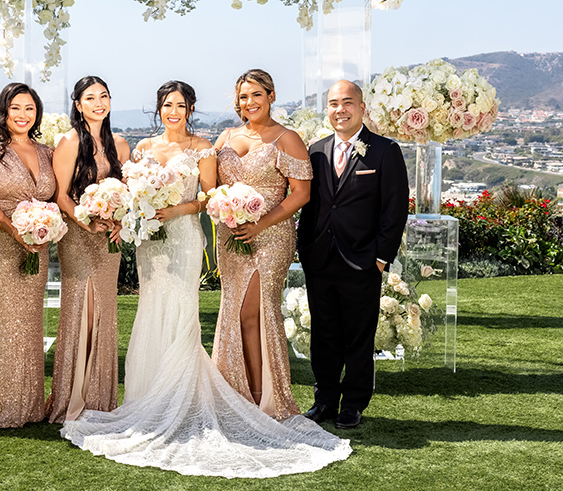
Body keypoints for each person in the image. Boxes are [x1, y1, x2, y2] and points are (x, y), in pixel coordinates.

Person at [61, 81, 351, 478]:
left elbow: (210, 197)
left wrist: (177, 209)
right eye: (167, 105)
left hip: (182, 239)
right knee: (151, 309)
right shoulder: (142, 149)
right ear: (159, 109)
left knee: (183, 312)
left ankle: (192, 396)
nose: (173, 111)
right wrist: (129, 212)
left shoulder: (205, 148)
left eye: (181, 105)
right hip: (150, 244)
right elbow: (130, 198)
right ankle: (148, 397)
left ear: (191, 109)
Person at [297, 80, 409, 429]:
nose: (339, 109)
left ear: (362, 108)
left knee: (359, 337)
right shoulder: (314, 151)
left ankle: (354, 403)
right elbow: (310, 204)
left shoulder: (384, 151)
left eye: (347, 102)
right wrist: (305, 249)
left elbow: (395, 209)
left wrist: (380, 257)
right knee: (324, 335)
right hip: (320, 260)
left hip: (362, 261)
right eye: (333, 103)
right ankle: (325, 400)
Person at [211, 69, 312, 419]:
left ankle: (263, 399)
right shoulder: (225, 137)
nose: (250, 102)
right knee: (233, 312)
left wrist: (261, 224)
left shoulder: (286, 138)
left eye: (256, 94)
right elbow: (210, 186)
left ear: (271, 96)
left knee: (252, 312)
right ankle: (233, 395)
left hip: (271, 236)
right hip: (231, 236)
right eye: (243, 96)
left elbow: (301, 193)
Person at [0, 83, 56, 428]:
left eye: (29, 108)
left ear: (38, 113)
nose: (23, 115)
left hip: (35, 245)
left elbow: (55, 196)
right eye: (16, 108)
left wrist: (41, 228)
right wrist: (12, 228)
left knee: (29, 324)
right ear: (3, 112)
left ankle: (30, 408)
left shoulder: (47, 151)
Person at [47, 76, 130, 423]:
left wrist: (120, 222)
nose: (99, 103)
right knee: (82, 306)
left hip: (108, 237)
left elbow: (127, 195)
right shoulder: (68, 143)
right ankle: (72, 395)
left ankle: (99, 397)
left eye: (104, 96)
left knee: (104, 311)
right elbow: (61, 195)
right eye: (90, 98)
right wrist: (87, 222)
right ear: (78, 105)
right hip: (78, 237)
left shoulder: (121, 144)